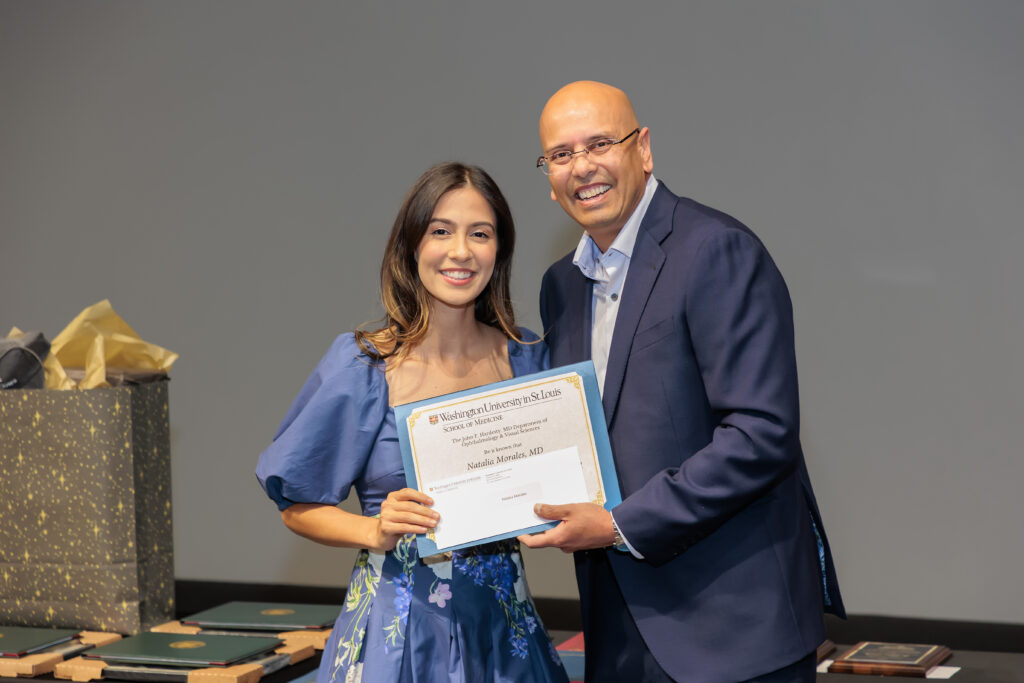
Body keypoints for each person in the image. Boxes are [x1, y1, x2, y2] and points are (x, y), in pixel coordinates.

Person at [518, 81, 845, 683]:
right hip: (618, 628)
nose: (581, 167)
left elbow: (760, 433)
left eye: (599, 144)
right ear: (547, 173)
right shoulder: (560, 285)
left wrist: (619, 525)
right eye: (560, 154)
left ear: (642, 149)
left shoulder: (716, 250)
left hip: (732, 629)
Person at [256, 162, 569, 683]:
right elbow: (297, 505)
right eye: (440, 231)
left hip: (506, 639)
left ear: (500, 250)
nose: (461, 251)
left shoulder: (530, 359)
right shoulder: (362, 365)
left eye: (481, 234)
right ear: (410, 246)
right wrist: (373, 529)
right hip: (395, 642)